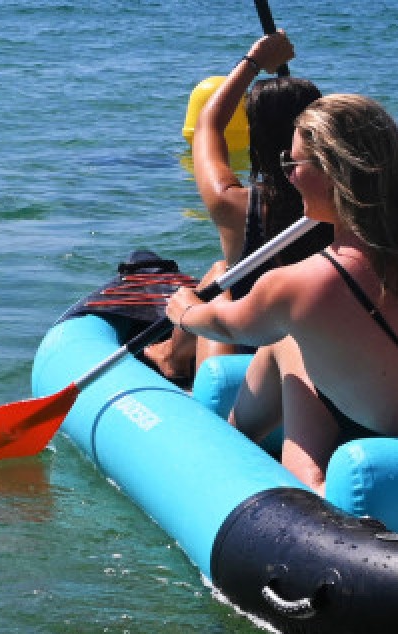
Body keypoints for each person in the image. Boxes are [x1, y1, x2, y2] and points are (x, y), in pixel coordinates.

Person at [166, 93, 398, 494]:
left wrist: (185, 311)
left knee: (286, 342)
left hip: (380, 469)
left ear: (333, 173)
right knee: (290, 340)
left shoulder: (297, 284)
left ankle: (250, 458)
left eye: (294, 163)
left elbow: (229, 326)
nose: (287, 175)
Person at [142, 31, 333, 386]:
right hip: (326, 346)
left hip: (249, 361)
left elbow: (207, 127)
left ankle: (171, 356)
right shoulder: (355, 204)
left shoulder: (236, 204)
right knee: (221, 271)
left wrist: (254, 61)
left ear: (255, 137)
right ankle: (170, 351)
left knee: (223, 278)